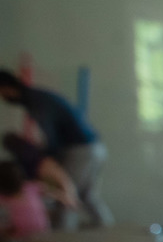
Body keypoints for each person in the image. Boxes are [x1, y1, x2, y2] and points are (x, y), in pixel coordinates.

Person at [0, 69, 113, 229]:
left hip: (80, 150)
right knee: (87, 195)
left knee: (66, 198)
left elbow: (51, 135)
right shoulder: (38, 97)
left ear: (7, 88)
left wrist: (48, 157)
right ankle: (107, 229)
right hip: (94, 147)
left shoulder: (36, 101)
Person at [0, 159, 48, 242]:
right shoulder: (31, 187)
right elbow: (46, 189)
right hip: (40, 226)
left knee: (6, 233)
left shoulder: (4, 196)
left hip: (18, 228)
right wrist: (65, 198)